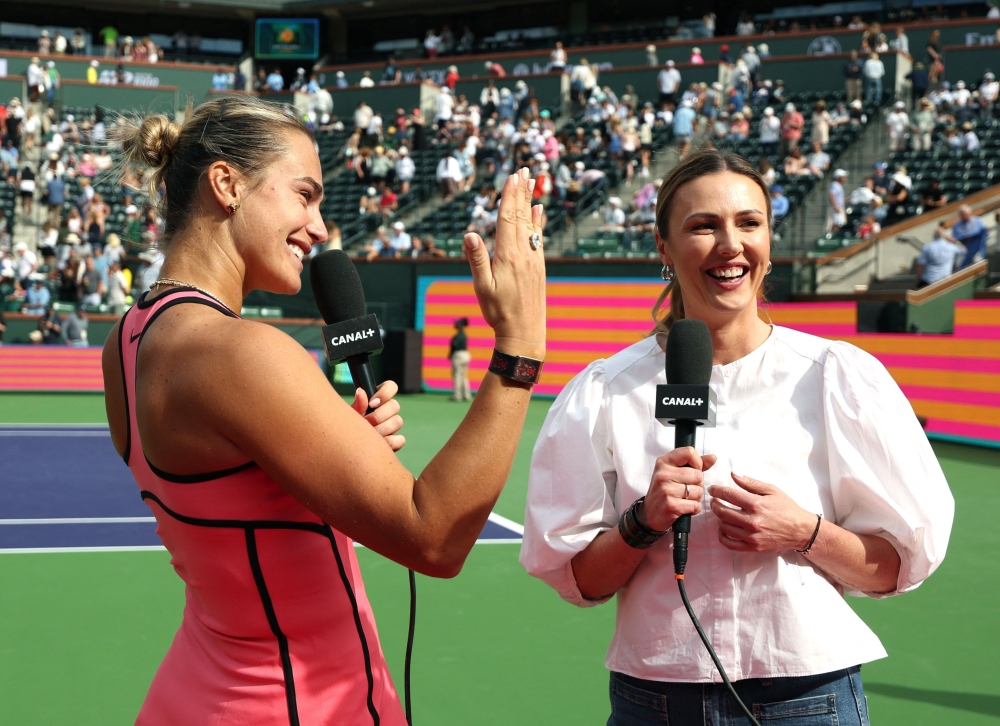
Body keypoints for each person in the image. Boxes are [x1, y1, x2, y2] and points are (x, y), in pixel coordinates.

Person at [104, 96, 546, 723]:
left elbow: (230, 500)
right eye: (304, 196)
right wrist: (519, 351)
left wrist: (334, 443)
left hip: (196, 695)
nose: (319, 227)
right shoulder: (242, 353)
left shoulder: (127, 337)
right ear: (226, 183)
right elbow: (435, 537)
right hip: (293, 705)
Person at [520, 149, 953, 726]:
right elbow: (577, 579)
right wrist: (642, 520)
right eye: (703, 226)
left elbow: (896, 564)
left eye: (749, 223)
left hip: (808, 698)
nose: (730, 245)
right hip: (655, 699)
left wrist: (806, 532)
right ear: (663, 248)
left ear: (768, 242)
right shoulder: (606, 390)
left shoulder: (834, 374)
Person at [916, 223, 964, 287]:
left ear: (933, 235)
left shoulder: (927, 247)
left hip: (928, 280)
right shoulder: (951, 247)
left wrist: (918, 276)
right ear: (944, 236)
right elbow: (964, 249)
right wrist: (953, 240)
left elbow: (921, 264)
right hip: (944, 281)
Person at [951, 204, 989, 268]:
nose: (964, 216)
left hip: (977, 249)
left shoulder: (977, 220)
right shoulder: (956, 225)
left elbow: (985, 232)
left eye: (965, 214)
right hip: (964, 251)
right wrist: (961, 245)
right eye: (962, 215)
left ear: (969, 213)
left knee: (978, 264)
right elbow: (954, 241)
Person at [449, 317, 472, 402]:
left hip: (458, 355)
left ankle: (457, 395)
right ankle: (466, 395)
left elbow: (454, 347)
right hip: (466, 355)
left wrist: (450, 355)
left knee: (457, 376)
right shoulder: (463, 334)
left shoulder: (458, 335)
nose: (455, 325)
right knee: (463, 376)